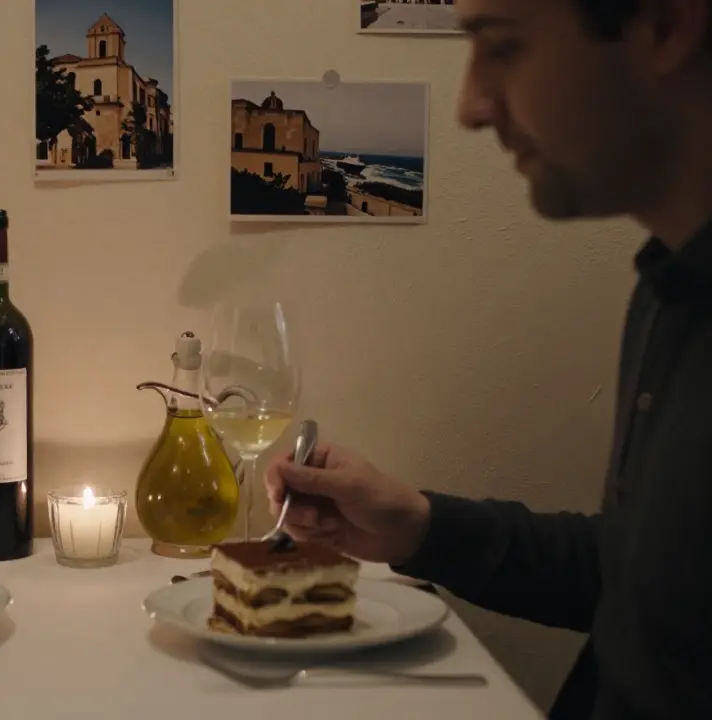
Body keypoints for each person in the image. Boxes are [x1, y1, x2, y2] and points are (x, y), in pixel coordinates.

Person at [265, 0, 712, 718]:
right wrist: (417, 527)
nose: (469, 106)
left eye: (502, 47)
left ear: (664, 25)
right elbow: (642, 578)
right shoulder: (670, 289)